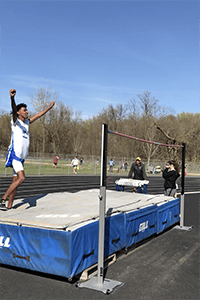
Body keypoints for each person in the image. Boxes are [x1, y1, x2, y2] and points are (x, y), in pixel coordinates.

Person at [0, 89, 55, 210]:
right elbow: (14, 109)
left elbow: (39, 115)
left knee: (16, 182)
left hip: (21, 157)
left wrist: (49, 108)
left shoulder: (27, 123)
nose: (27, 112)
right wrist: (12, 98)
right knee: (21, 178)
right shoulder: (15, 121)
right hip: (15, 155)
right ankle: (2, 199)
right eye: (25, 110)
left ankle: (9, 206)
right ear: (19, 112)